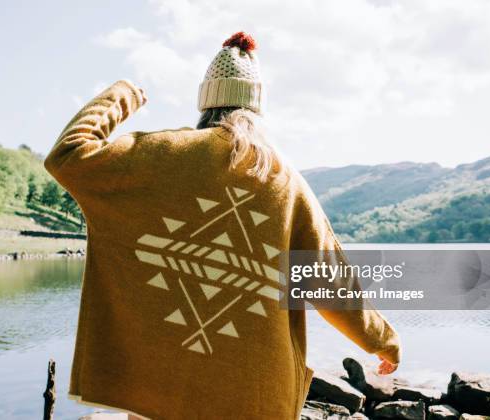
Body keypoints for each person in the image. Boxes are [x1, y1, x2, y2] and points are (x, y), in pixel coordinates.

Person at [45, 31, 400, 420]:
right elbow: (331, 283)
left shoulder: (159, 157)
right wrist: (382, 342)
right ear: (256, 106)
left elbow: (68, 155)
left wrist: (124, 93)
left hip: (159, 388)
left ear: (207, 101)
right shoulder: (287, 183)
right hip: (253, 394)